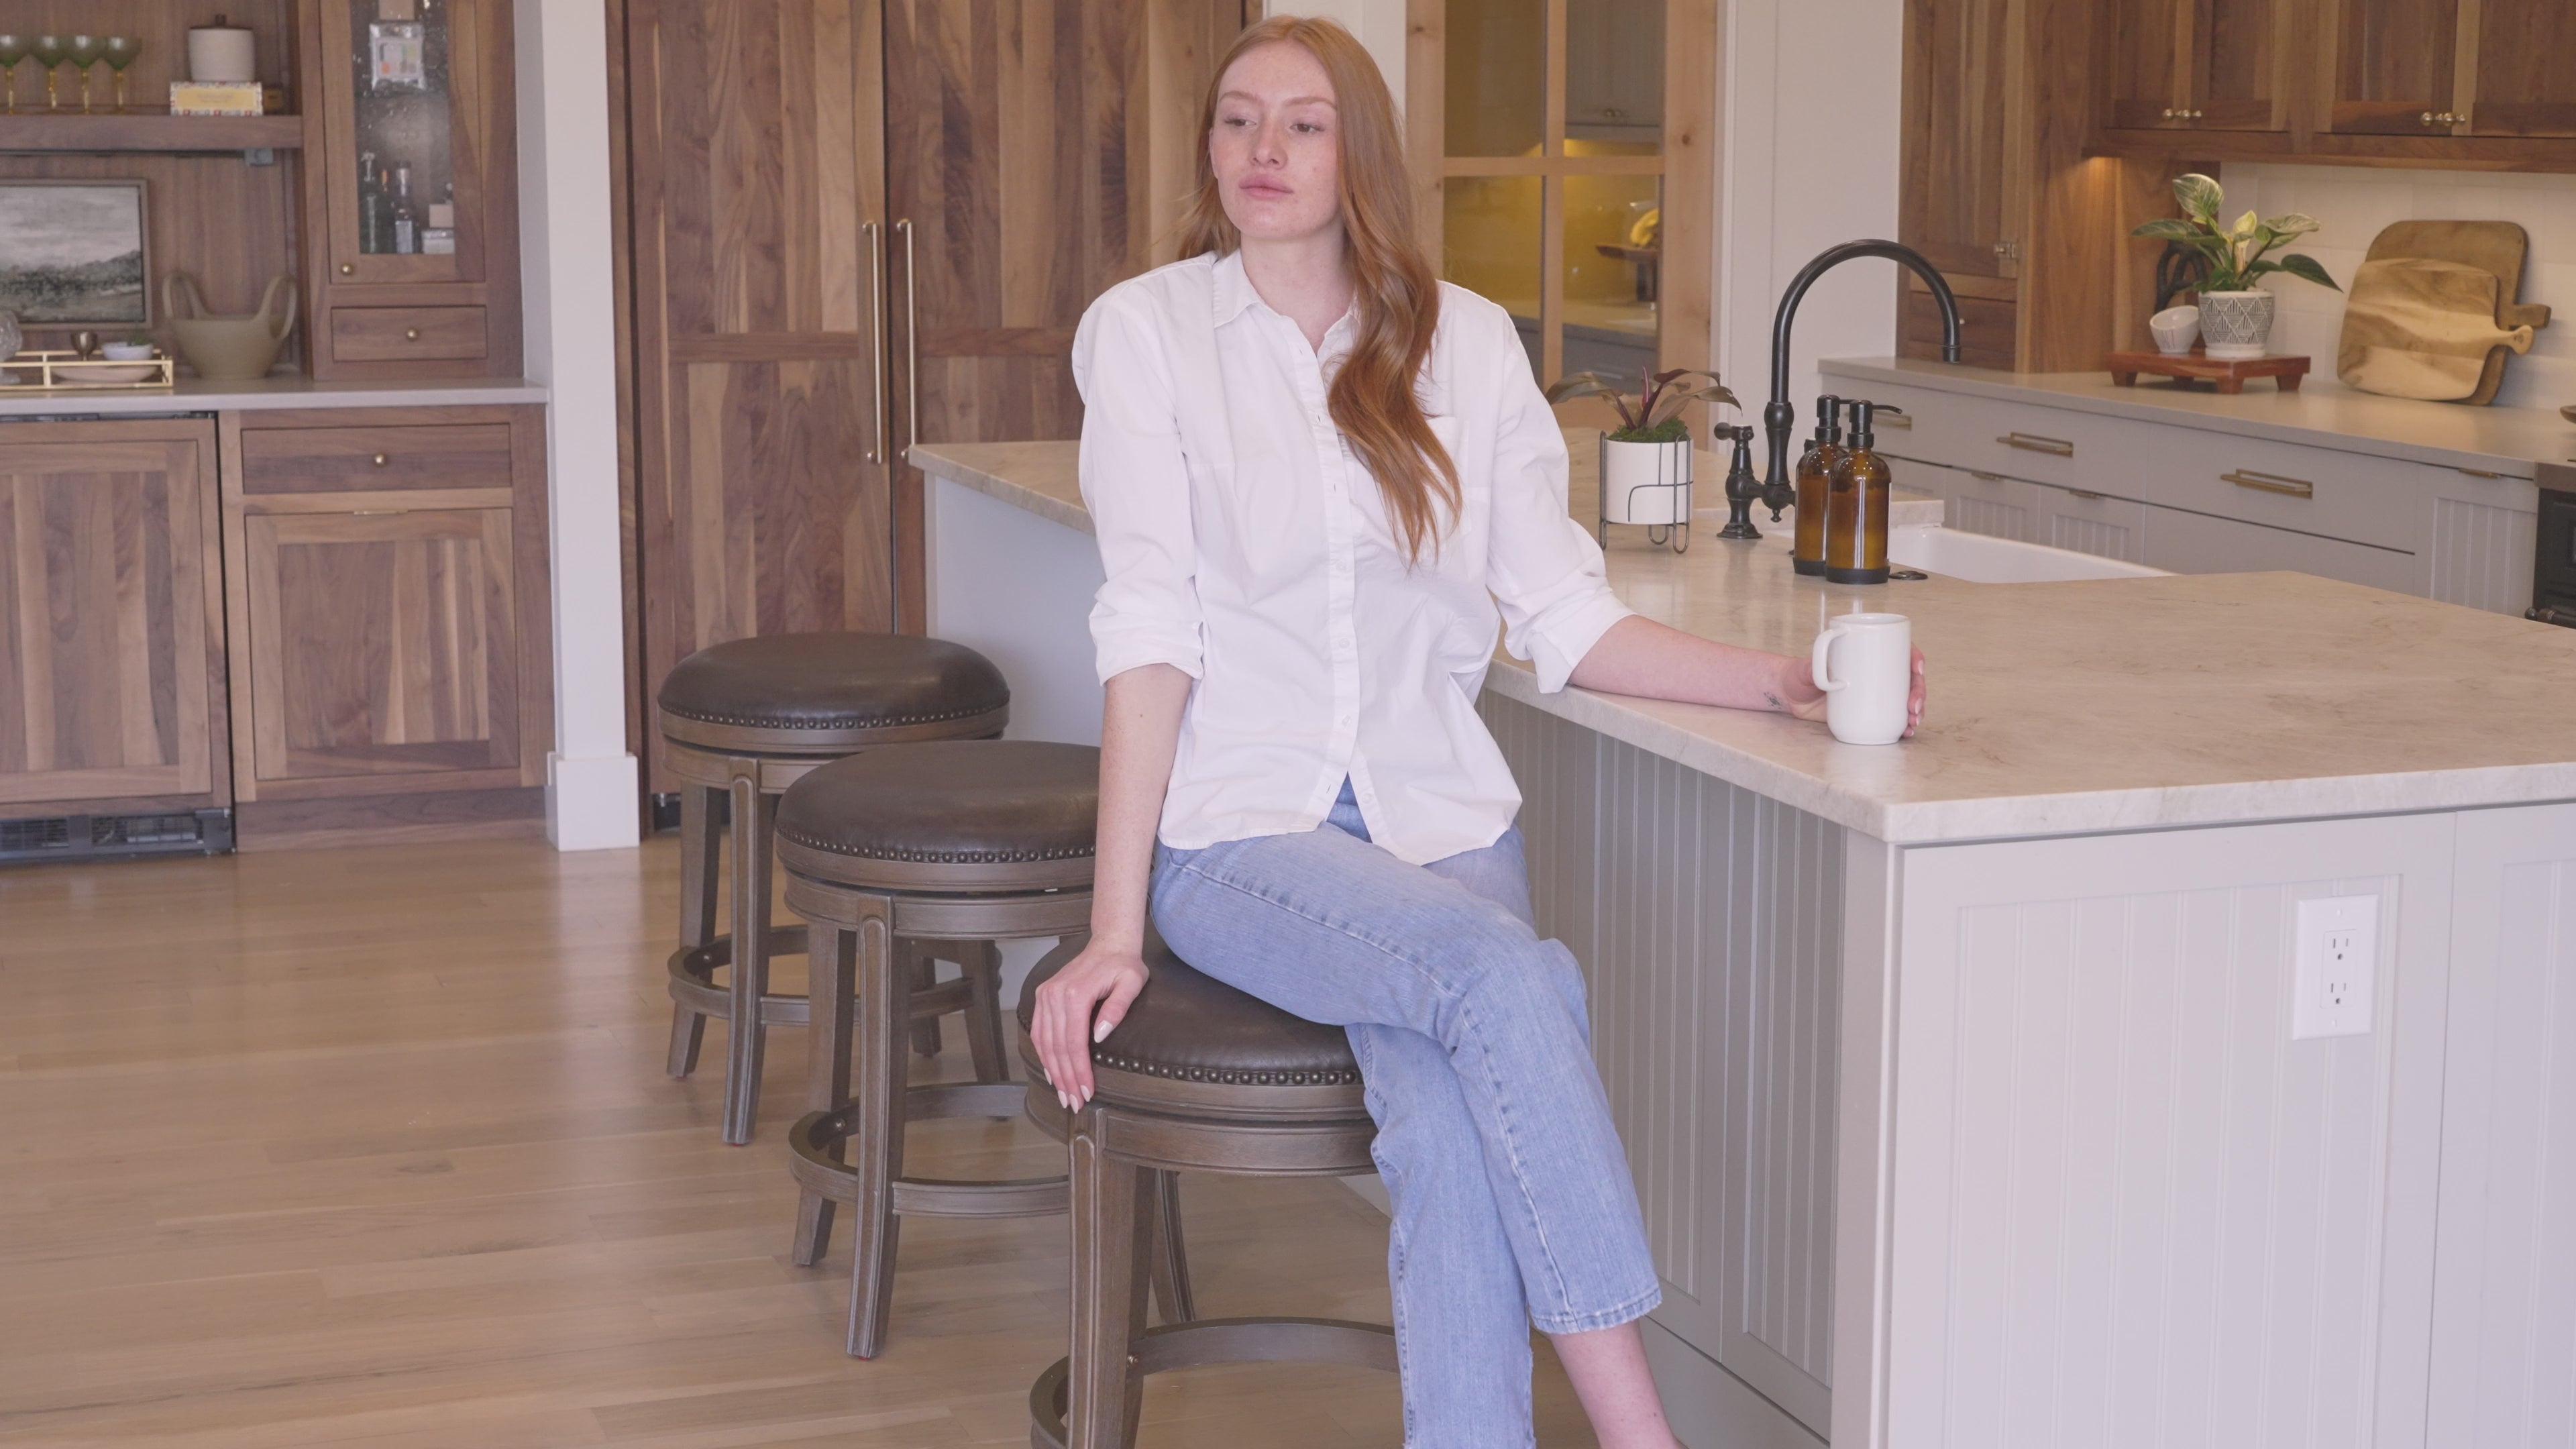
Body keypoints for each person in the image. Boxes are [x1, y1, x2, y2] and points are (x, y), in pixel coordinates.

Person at [1027, 16, 1926, 1448]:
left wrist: (1773, 681)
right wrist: (1115, 928)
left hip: (1440, 822)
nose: (1264, 151)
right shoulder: (1147, 336)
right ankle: (1645, 1437)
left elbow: (1560, 619)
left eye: (1304, 124)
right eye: (1239, 120)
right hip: (1245, 834)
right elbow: (1149, 636)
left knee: (1448, 1134)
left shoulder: (1467, 347)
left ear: (1358, 150)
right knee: (1509, 984)